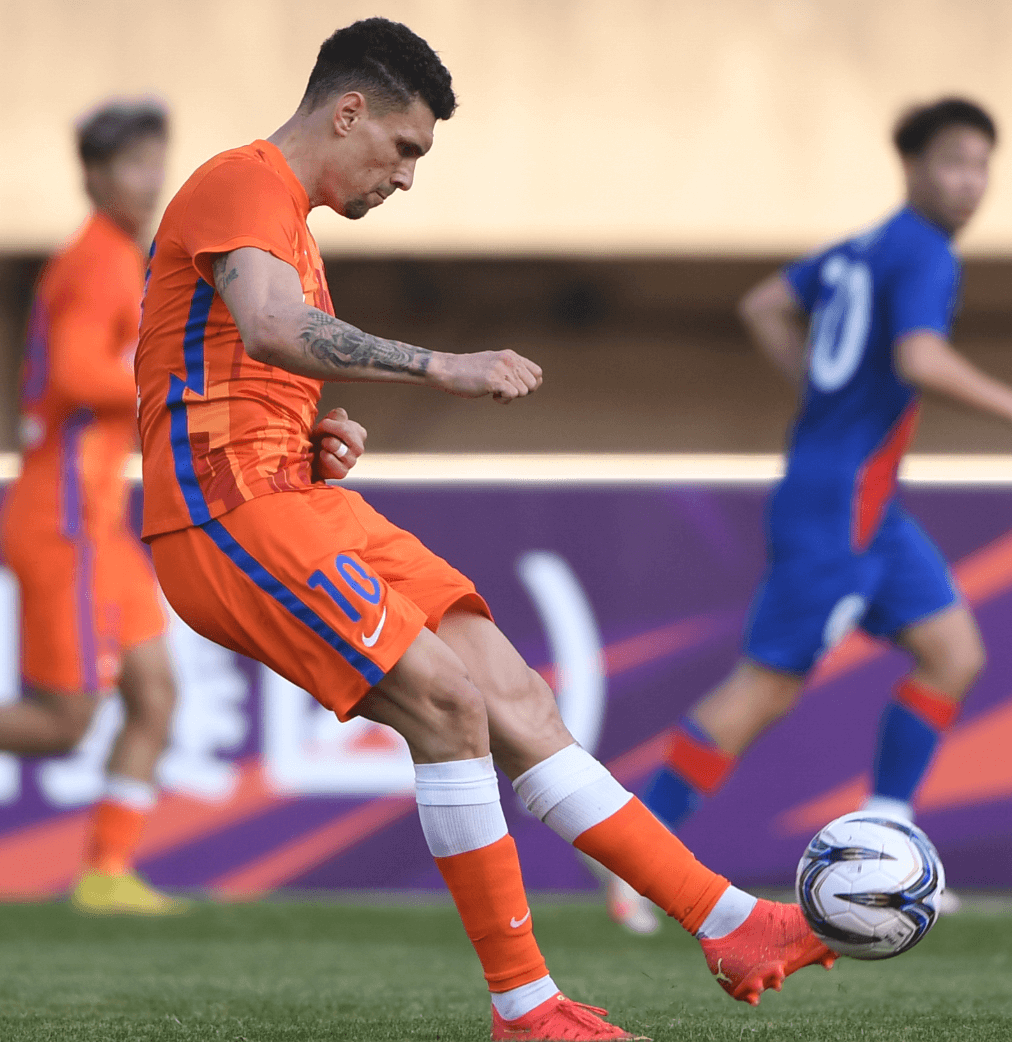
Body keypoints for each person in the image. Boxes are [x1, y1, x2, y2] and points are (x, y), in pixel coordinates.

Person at [135, 18, 834, 1039]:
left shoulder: (283, 222)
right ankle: (525, 1007)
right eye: (403, 148)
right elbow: (274, 326)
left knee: (514, 695)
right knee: (448, 704)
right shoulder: (241, 181)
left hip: (293, 493)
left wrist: (315, 429)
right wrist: (442, 365)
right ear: (348, 112)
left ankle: (729, 921)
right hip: (227, 514)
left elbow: (236, 359)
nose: (406, 177)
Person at [609, 97, 1000, 934]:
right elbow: (919, 356)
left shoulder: (866, 246)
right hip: (839, 506)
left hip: (864, 503)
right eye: (955, 163)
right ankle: (635, 855)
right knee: (768, 685)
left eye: (982, 166)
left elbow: (763, 305)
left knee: (954, 653)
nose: (971, 182)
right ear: (915, 167)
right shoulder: (924, 251)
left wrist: (826, 395)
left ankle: (891, 841)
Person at [0, 101, 190, 914]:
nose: (151, 179)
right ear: (94, 176)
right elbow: (74, 373)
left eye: (156, 162)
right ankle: (105, 870)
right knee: (67, 722)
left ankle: (106, 872)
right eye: (134, 164)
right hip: (64, 519)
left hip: (96, 523)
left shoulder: (114, 257)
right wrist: (168, 379)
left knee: (156, 693)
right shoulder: (98, 260)